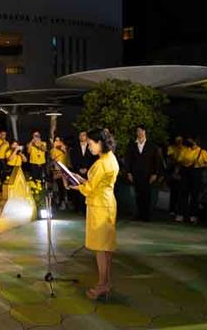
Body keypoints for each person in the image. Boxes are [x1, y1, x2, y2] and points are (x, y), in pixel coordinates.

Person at [70, 128, 118, 301]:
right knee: (106, 248)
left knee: (101, 249)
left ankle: (102, 285)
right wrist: (80, 179)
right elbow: (96, 183)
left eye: (91, 143)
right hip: (106, 203)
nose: (89, 147)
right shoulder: (109, 158)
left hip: (100, 206)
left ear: (100, 143)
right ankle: (106, 282)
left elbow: (90, 188)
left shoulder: (102, 163)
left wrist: (76, 185)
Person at [125, 125, 163, 221]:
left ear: (145, 132)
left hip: (148, 174)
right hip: (136, 173)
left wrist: (155, 173)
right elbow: (128, 160)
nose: (139, 133)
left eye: (141, 131)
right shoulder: (132, 145)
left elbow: (156, 160)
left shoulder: (152, 146)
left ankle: (146, 215)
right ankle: (138, 214)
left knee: (147, 194)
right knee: (138, 194)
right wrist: (129, 172)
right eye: (138, 131)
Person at [177, 136, 207, 224]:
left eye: (190, 141)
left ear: (195, 142)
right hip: (185, 173)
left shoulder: (202, 152)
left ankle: (193, 215)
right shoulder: (185, 150)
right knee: (183, 193)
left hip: (196, 173)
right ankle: (182, 214)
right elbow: (179, 160)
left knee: (194, 194)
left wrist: (201, 164)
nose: (188, 142)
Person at [69, 131, 98, 213]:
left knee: (88, 188)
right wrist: (79, 169)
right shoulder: (74, 148)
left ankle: (87, 208)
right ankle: (79, 208)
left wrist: (87, 168)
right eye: (80, 135)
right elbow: (73, 160)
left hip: (89, 171)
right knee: (79, 190)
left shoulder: (92, 147)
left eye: (84, 135)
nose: (82, 136)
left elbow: (94, 159)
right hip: (78, 170)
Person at [50, 135, 70, 210]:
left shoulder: (64, 147)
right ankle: (61, 202)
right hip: (57, 170)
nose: (57, 142)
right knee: (60, 186)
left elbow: (67, 155)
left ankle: (67, 201)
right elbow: (52, 157)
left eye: (59, 140)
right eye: (56, 140)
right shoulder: (53, 149)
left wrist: (62, 148)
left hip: (65, 169)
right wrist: (54, 148)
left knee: (66, 186)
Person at [167, 136, 185, 216]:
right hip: (173, 168)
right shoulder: (172, 148)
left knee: (181, 191)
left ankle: (180, 210)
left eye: (180, 140)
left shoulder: (185, 148)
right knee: (174, 191)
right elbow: (170, 157)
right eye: (177, 140)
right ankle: (172, 209)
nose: (178, 141)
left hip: (182, 170)